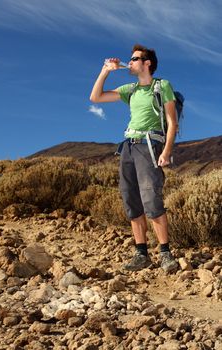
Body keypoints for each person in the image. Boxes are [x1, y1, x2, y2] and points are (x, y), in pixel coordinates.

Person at [90, 44, 178, 273]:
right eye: (129, 59)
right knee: (130, 199)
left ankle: (165, 253)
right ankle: (141, 253)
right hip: (128, 147)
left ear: (147, 63)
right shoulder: (130, 89)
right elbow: (96, 97)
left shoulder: (162, 86)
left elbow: (172, 122)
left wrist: (167, 151)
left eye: (134, 59)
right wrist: (106, 71)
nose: (129, 62)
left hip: (149, 146)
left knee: (151, 198)